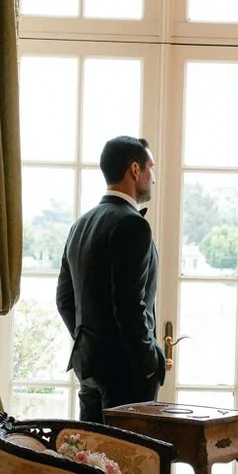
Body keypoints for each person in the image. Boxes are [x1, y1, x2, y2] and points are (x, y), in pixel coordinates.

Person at [55, 135, 166, 422]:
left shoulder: (80, 224)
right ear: (134, 170)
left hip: (88, 366)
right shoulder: (133, 225)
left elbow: (64, 300)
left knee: (91, 450)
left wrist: (91, 343)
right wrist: (148, 362)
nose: (153, 178)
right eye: (150, 168)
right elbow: (129, 304)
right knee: (128, 451)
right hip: (127, 371)